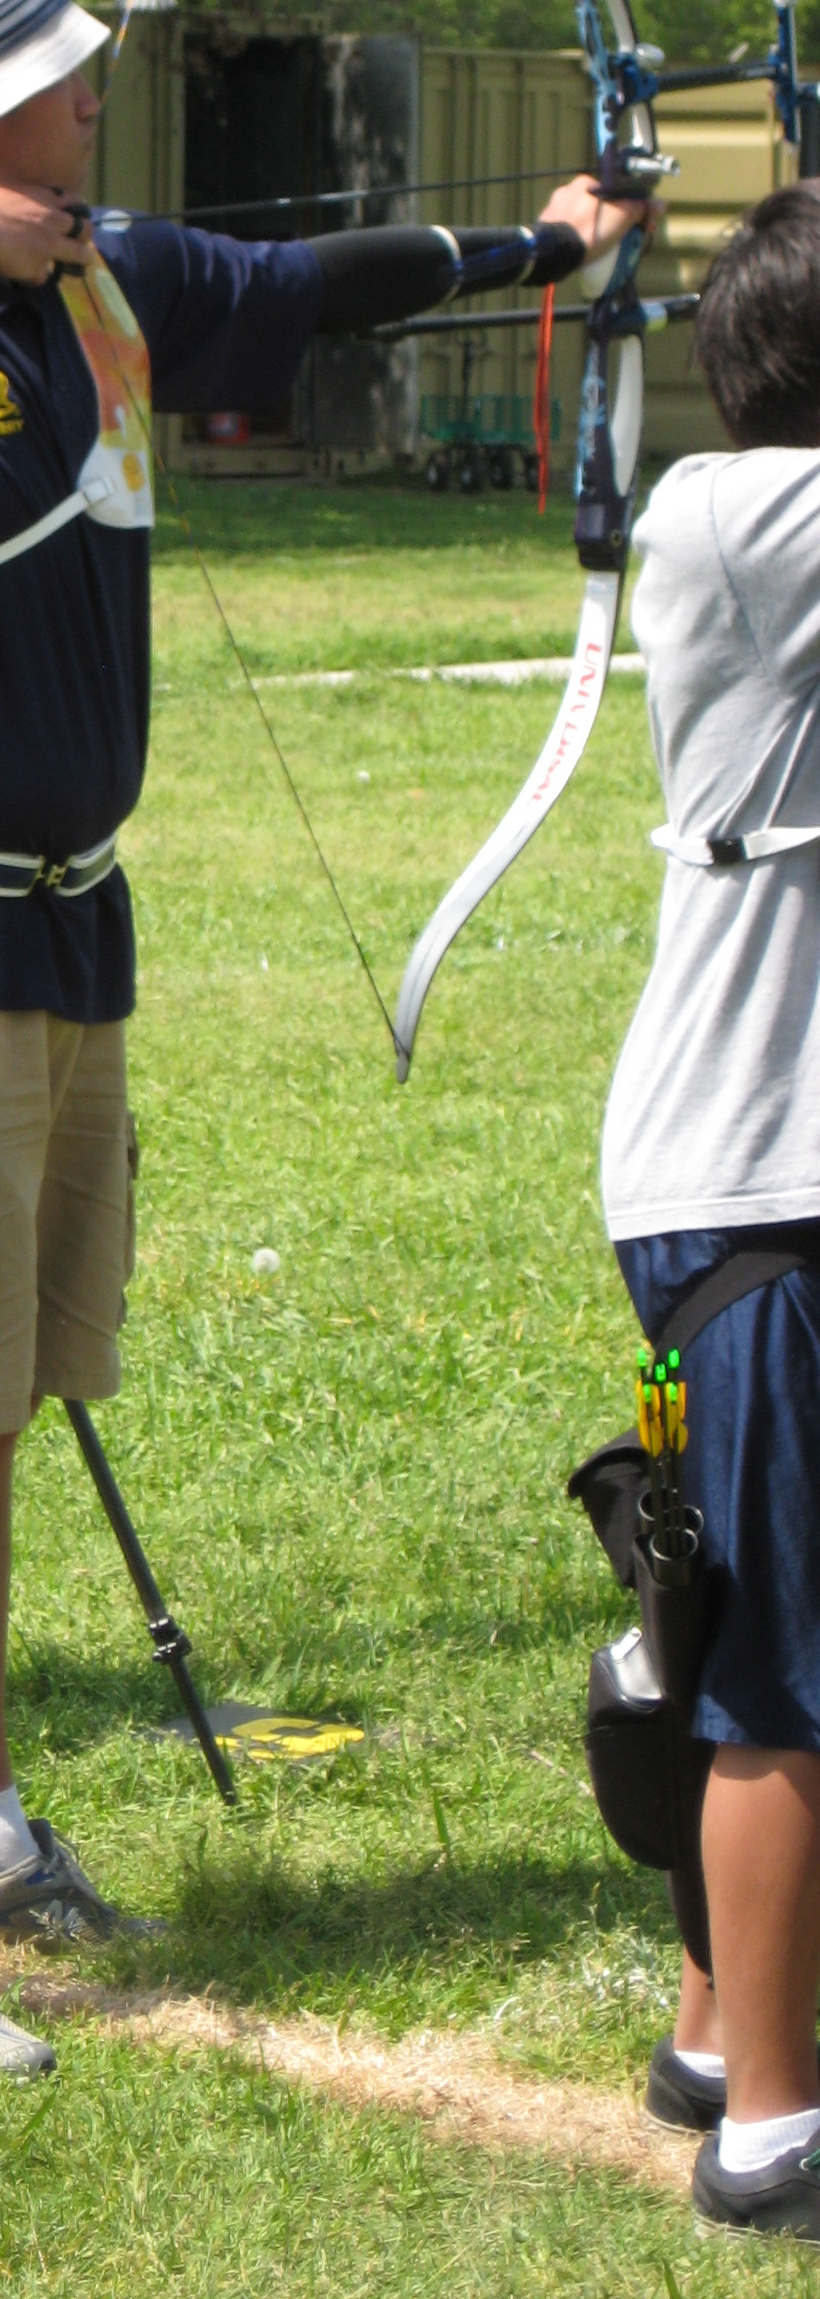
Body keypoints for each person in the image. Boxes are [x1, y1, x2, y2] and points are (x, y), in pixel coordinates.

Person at [0, 0, 640, 2070]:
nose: (94, 96)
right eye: (61, 76)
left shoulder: (103, 280)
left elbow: (316, 285)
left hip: (56, 931)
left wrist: (545, 239)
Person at [592, 178, 820, 2238]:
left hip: (756, 1186)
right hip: (760, 1190)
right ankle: (775, 2131)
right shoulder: (742, 527)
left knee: (758, 1621)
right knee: (781, 1677)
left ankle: (708, 2027)